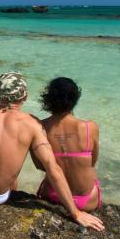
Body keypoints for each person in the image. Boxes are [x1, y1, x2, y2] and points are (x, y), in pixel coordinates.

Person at [0, 72, 104, 231]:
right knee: (10, 170)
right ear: (25, 96)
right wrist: (75, 213)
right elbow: (53, 168)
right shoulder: (33, 125)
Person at [33, 77, 102, 212]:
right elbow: (93, 161)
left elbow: (39, 166)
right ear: (75, 99)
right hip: (86, 200)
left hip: (53, 195)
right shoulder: (90, 127)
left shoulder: (39, 127)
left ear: (48, 99)